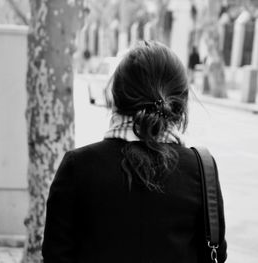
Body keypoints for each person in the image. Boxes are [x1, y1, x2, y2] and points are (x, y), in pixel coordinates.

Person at [42, 41, 227, 263]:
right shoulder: (201, 169)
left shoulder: (77, 166)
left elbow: (55, 255)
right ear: (181, 103)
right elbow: (216, 254)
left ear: (116, 96)